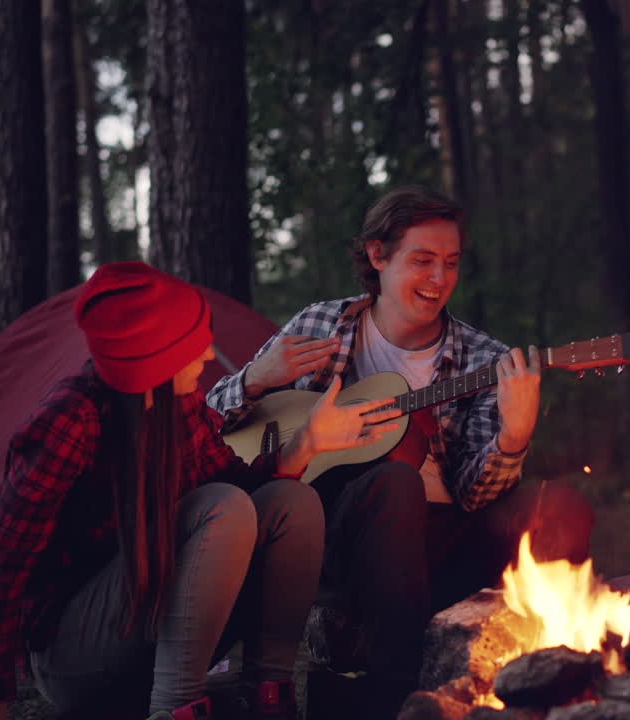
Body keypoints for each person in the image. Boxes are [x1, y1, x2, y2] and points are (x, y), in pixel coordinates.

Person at [207, 185, 593, 718]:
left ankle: (556, 682)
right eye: (423, 261)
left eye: (451, 263)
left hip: (440, 542)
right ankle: (400, 696)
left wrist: (514, 437)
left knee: (561, 504)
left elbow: (475, 494)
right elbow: (211, 423)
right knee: (396, 482)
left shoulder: (484, 358)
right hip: (339, 538)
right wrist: (254, 379)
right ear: (377, 256)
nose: (440, 279)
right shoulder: (324, 327)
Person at [0, 262, 401, 720]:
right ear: (152, 360)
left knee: (290, 503)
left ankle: (268, 696)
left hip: (161, 630)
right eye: (193, 347)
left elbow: (239, 483)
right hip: (75, 657)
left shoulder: (179, 402)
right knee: (221, 507)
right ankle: (177, 709)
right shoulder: (70, 422)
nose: (209, 355)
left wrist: (305, 445)